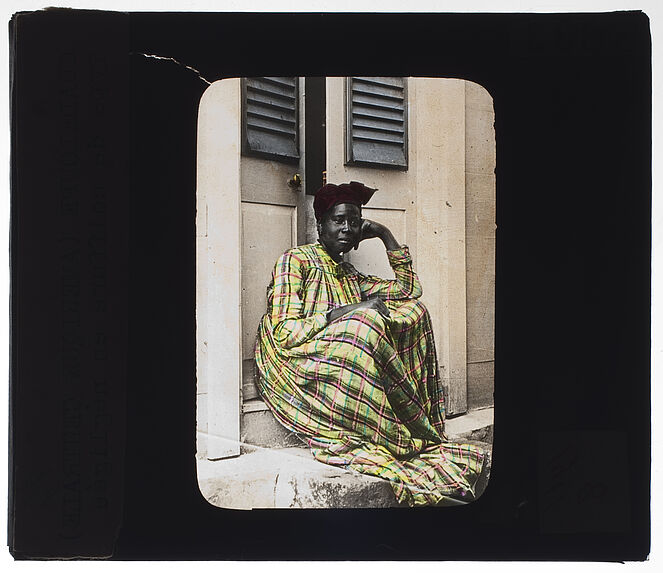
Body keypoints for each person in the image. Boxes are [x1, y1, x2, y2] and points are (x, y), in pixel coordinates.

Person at [255, 181, 486, 506]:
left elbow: (409, 291)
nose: (347, 228)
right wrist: (351, 311)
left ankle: (404, 425)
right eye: (338, 220)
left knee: (413, 312)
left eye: (355, 221)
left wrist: (382, 232)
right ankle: (388, 436)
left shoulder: (350, 275)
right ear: (320, 224)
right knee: (365, 322)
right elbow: (284, 332)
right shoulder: (296, 261)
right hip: (295, 363)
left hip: (342, 355)